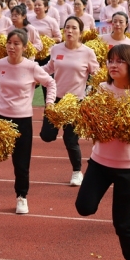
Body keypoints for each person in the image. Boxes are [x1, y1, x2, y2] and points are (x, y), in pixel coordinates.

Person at [76, 45, 130, 260]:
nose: (113, 65)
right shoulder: (101, 89)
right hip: (99, 162)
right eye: (110, 60)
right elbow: (89, 121)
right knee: (84, 207)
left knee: (123, 224)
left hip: (128, 168)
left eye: (120, 61)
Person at [0, 29, 55, 214]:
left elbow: (50, 83)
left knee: (21, 163)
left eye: (16, 44)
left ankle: (21, 196)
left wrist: (49, 104)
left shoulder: (31, 67)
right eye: (9, 43)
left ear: (24, 47)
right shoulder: (0, 64)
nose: (11, 47)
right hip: (0, 117)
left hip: (23, 119)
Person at [41, 16, 100, 185]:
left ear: (80, 33)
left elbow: (96, 75)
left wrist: (93, 93)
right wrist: (31, 70)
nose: (70, 31)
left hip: (75, 102)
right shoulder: (56, 49)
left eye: (74, 28)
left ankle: (77, 172)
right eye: (67, 27)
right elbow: (49, 68)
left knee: (70, 139)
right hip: (55, 99)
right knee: (47, 135)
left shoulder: (88, 52)